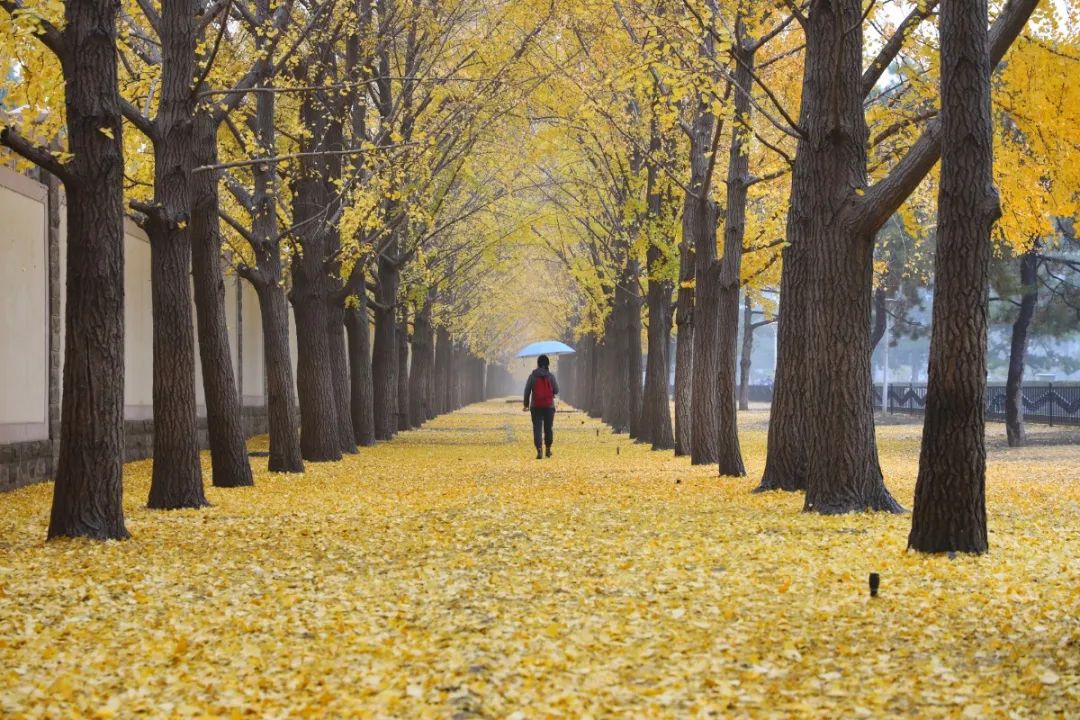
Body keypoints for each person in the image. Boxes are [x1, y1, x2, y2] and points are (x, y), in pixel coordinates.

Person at [523, 354, 559, 460]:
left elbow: (527, 390)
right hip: (549, 406)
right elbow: (556, 390)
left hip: (535, 406)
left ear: (538, 363)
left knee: (537, 429)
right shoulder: (551, 376)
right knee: (548, 429)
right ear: (548, 363)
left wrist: (526, 404)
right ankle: (548, 449)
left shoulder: (533, 376)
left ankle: (539, 450)